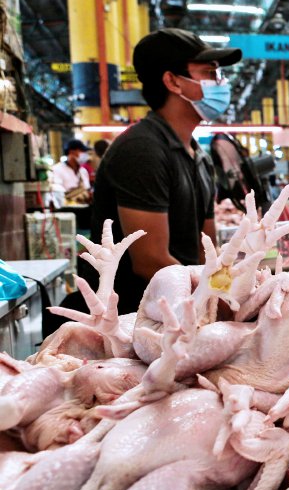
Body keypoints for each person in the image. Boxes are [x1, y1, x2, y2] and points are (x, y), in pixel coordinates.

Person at [78, 28, 240, 316]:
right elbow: (150, 261)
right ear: (173, 81)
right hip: (134, 319)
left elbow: (206, 249)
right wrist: (214, 305)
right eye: (209, 73)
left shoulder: (199, 157)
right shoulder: (142, 150)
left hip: (183, 312)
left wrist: (227, 292)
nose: (220, 83)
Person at [50, 139, 92, 206]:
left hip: (84, 207)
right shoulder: (57, 169)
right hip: (67, 208)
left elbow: (87, 189)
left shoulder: (83, 171)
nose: (84, 154)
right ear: (71, 152)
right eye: (81, 151)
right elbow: (57, 192)